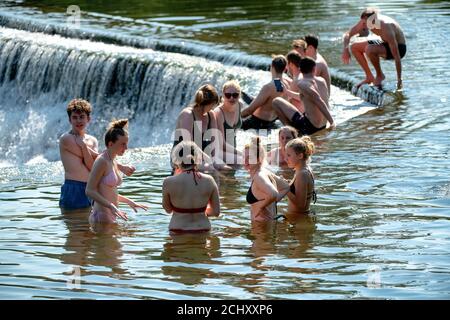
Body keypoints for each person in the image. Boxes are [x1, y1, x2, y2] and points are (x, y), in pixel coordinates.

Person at [59, 99, 135, 212]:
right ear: (69, 120)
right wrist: (121, 167)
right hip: (74, 188)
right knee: (76, 226)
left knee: (94, 226)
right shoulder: (66, 139)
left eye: (82, 117)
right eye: (74, 117)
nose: (78, 120)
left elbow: (99, 161)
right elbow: (90, 164)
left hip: (93, 187)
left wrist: (121, 167)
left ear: (88, 119)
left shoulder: (93, 140)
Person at [86, 119, 147, 224]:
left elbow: (109, 193)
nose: (126, 148)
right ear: (110, 144)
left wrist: (129, 202)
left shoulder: (112, 160)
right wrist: (111, 206)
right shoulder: (102, 161)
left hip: (111, 214)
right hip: (101, 216)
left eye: (126, 144)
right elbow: (89, 190)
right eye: (123, 144)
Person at [341, 8, 407, 89]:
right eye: (363, 22)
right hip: (382, 42)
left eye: (365, 23)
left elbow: (397, 56)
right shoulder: (365, 20)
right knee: (354, 47)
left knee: (370, 48)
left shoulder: (385, 26)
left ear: (374, 21)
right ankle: (369, 77)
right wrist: (345, 49)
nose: (363, 26)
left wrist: (399, 80)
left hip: (399, 48)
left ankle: (380, 76)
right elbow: (347, 34)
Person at [163, 141, 220, 233]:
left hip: (178, 231)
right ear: (197, 158)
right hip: (203, 229)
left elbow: (168, 209)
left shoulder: (169, 182)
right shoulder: (209, 180)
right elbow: (216, 212)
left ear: (177, 159)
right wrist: (199, 212)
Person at [272, 57, 335, 136]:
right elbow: (308, 97)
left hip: (310, 127)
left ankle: (291, 132)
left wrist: (332, 122)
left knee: (276, 102)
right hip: (322, 125)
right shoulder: (321, 81)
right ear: (314, 69)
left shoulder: (303, 84)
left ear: (300, 70)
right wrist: (287, 92)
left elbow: (318, 100)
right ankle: (292, 131)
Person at [172, 84, 223, 171]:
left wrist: (215, 159)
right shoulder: (187, 115)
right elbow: (188, 145)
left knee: (224, 167)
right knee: (210, 168)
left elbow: (214, 141)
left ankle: (228, 183)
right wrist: (207, 158)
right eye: (212, 104)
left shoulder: (211, 114)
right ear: (206, 103)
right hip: (184, 156)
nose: (213, 107)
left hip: (201, 157)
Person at [244, 137, 289, 222]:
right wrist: (272, 203)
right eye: (244, 157)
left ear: (258, 159)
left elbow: (273, 194)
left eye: (249, 158)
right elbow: (286, 187)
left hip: (261, 227)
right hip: (269, 222)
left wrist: (259, 207)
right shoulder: (266, 172)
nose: (245, 161)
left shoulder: (259, 176)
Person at [241, 55, 290, 130]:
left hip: (256, 123)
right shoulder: (286, 84)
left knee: (228, 127)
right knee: (243, 95)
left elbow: (249, 110)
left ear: (272, 67)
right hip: (270, 123)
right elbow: (276, 93)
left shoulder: (269, 87)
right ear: (285, 69)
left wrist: (235, 117)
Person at [213, 80, 243, 165]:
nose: (231, 98)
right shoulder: (218, 113)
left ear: (239, 95)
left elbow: (233, 132)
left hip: (232, 149)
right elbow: (221, 144)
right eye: (228, 95)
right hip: (219, 152)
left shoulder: (239, 105)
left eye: (235, 95)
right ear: (223, 95)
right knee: (245, 161)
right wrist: (242, 153)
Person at [285, 136, 317, 215]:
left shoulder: (302, 174)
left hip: (298, 219)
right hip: (301, 216)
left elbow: (300, 205)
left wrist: (285, 188)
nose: (286, 159)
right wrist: (288, 184)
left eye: (289, 155)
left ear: (300, 156)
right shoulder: (306, 169)